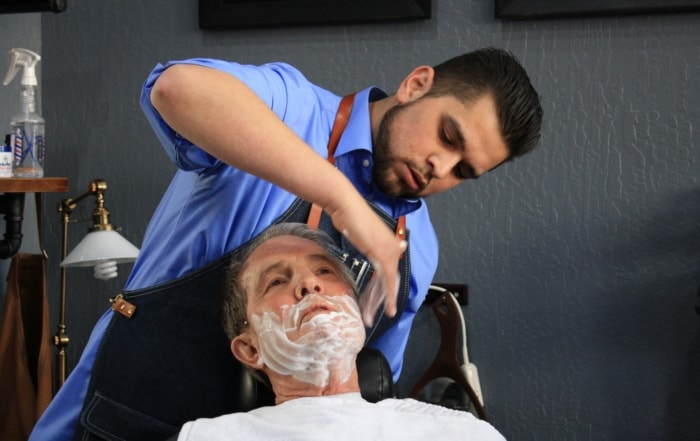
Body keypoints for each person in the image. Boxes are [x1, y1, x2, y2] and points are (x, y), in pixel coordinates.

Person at [31, 47, 542, 441]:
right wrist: (341, 198)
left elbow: (364, 390)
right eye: (448, 137)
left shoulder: (415, 248)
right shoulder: (292, 107)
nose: (440, 169)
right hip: (125, 416)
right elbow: (176, 89)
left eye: (464, 172)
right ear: (416, 85)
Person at [171, 222, 507, 441]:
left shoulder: (458, 433)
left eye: (324, 270)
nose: (309, 283)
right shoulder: (205, 437)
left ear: (358, 314)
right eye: (276, 281)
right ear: (249, 349)